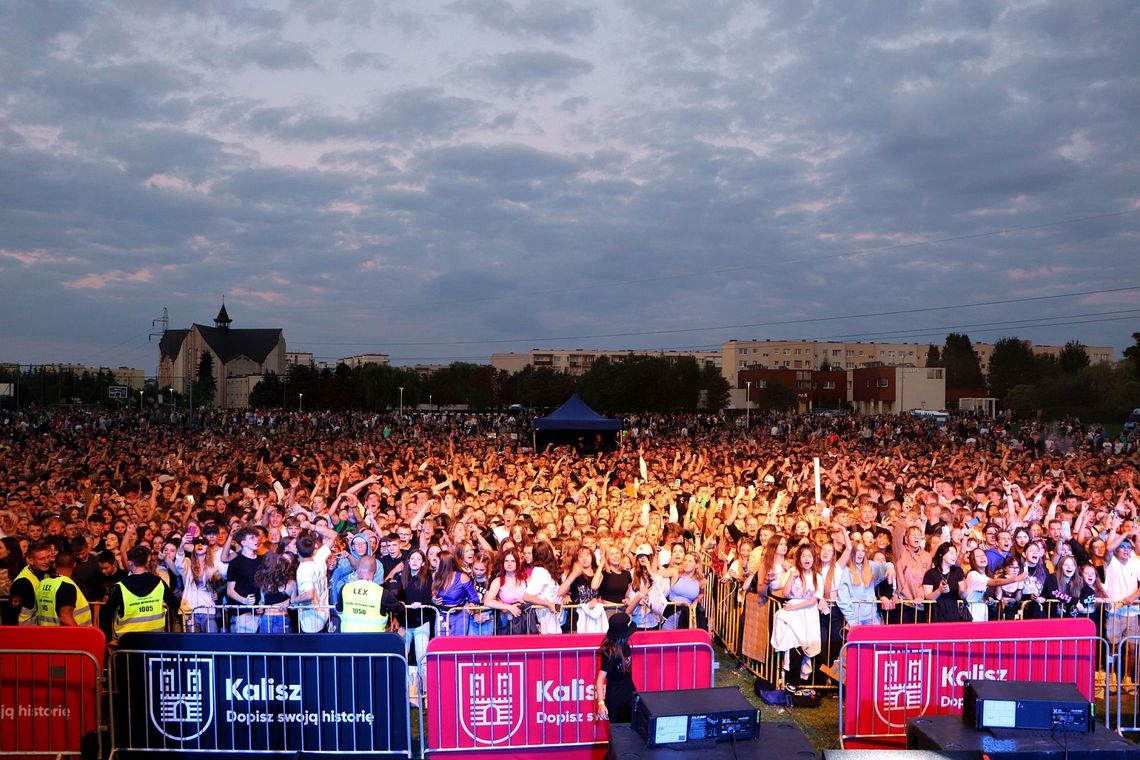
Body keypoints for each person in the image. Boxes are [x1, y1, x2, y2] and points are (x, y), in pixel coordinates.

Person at [101, 545, 177, 640]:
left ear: (130, 563)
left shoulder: (121, 586)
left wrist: (108, 640)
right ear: (146, 563)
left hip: (128, 643)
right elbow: (174, 604)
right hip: (156, 641)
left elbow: (105, 615)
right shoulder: (159, 583)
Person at [595, 612, 638, 724]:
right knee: (619, 734)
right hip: (615, 700)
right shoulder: (609, 652)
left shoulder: (626, 646)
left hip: (629, 694)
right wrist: (601, 703)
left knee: (633, 730)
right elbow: (600, 680)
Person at [338, 555, 399, 632]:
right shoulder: (382, 593)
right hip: (373, 640)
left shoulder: (345, 588)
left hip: (348, 639)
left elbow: (339, 610)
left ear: (359, 570)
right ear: (375, 571)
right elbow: (400, 608)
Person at [35, 552, 92, 626]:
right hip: (66, 636)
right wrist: (80, 635)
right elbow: (65, 618)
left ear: (55, 565)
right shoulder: (67, 586)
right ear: (74, 564)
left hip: (45, 634)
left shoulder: (43, 583)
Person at [6, 539, 52, 626]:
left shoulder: (48, 570)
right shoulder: (22, 583)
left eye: (48, 557)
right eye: (42, 559)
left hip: (40, 627)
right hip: (24, 630)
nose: (47, 561)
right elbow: (12, 614)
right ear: (30, 560)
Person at [922, 542, 965, 623]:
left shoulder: (958, 571)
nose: (955, 556)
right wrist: (939, 590)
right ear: (942, 554)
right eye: (951, 553)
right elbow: (928, 597)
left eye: (956, 554)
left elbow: (962, 594)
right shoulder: (931, 573)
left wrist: (964, 590)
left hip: (953, 612)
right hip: (936, 613)